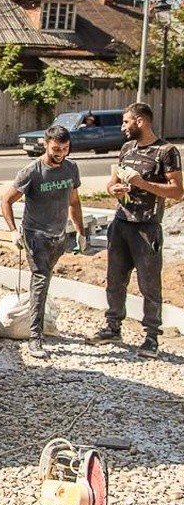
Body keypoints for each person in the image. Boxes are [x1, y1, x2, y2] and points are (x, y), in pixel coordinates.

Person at [86, 103, 183, 358]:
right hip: (121, 223)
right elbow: (113, 181)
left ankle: (151, 337)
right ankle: (112, 326)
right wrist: (112, 189)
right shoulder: (127, 148)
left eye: (126, 122)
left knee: (149, 285)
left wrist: (142, 183)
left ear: (140, 121)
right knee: (115, 279)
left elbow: (177, 191)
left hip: (146, 227)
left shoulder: (166, 151)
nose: (122, 127)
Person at [1, 125, 86, 359]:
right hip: (35, 235)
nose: (61, 153)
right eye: (57, 148)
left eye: (66, 148)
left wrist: (80, 231)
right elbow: (6, 201)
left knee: (44, 281)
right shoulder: (32, 171)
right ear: (46, 144)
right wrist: (12, 231)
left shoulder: (71, 168)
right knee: (40, 281)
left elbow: (74, 201)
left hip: (58, 236)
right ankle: (35, 337)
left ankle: (38, 322)